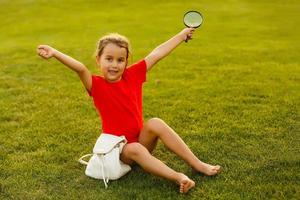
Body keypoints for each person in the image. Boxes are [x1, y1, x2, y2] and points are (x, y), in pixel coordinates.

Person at [37, 27, 221, 193]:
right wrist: (54, 53)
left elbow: (157, 54)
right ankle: (178, 177)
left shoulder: (132, 75)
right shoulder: (97, 85)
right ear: (98, 60)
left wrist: (181, 36)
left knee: (155, 123)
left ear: (126, 62)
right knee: (134, 149)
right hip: (121, 152)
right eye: (109, 59)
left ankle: (197, 164)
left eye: (120, 60)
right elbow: (80, 68)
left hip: (141, 141)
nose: (114, 65)